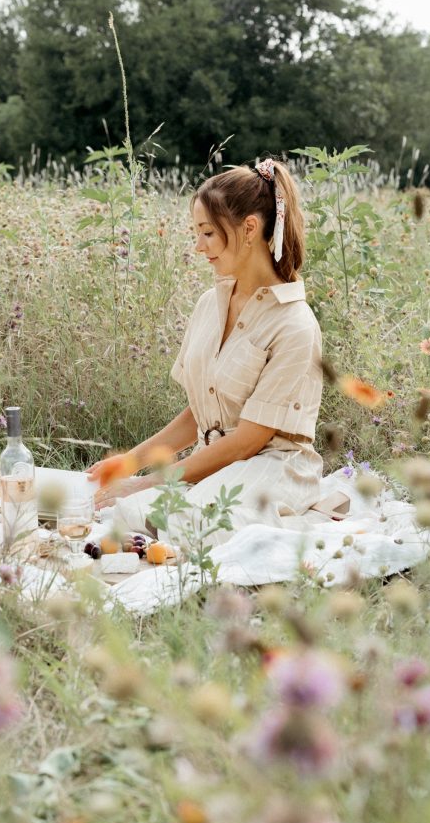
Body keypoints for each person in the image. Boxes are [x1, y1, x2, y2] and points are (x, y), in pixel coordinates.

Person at [85, 157, 350, 548]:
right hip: (218, 463)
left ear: (249, 229)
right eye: (197, 232)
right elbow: (200, 414)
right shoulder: (210, 304)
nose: (198, 246)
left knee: (192, 523)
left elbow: (248, 440)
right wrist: (128, 463)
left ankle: (297, 522)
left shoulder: (295, 325)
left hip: (273, 466)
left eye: (207, 233)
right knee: (129, 512)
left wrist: (146, 481)